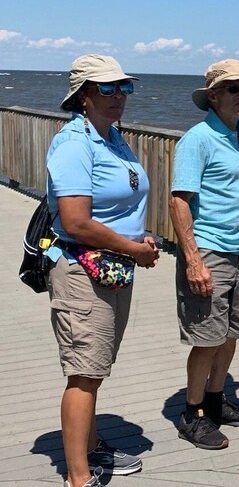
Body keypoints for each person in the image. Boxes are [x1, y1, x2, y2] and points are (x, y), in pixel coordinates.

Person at [46, 54, 160, 487]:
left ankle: (92, 447)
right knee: (84, 373)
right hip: (80, 269)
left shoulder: (113, 136)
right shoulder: (75, 143)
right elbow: (75, 221)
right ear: (83, 96)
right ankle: (79, 477)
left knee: (96, 366)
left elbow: (119, 203)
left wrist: (139, 239)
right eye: (106, 89)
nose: (118, 97)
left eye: (123, 88)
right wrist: (133, 247)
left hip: (112, 267)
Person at [170, 59, 239, 450]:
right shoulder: (198, 139)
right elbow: (179, 201)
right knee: (207, 337)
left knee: (230, 333)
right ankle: (192, 413)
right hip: (208, 250)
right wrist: (192, 259)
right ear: (213, 96)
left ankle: (215, 399)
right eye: (233, 89)